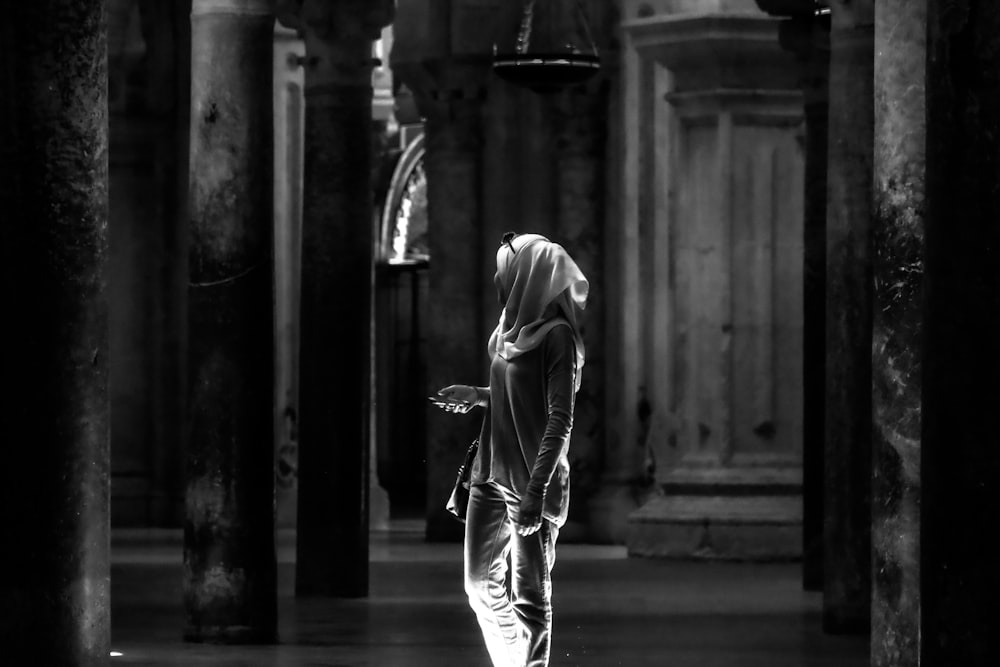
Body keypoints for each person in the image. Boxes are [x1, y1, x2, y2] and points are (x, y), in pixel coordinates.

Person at [433, 231, 588, 667]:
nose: (500, 280)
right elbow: (510, 395)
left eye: (507, 271)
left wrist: (537, 491)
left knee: (530, 600)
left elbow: (560, 419)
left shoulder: (559, 339)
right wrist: (477, 395)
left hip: (529, 481)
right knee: (479, 587)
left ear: (529, 277)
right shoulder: (507, 329)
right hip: (488, 471)